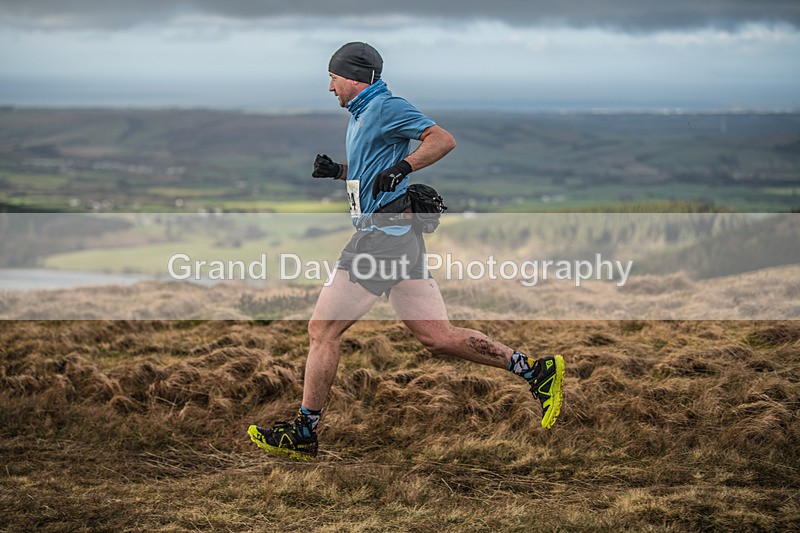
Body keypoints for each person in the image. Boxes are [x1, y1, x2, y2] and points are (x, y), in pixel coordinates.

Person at [248, 42, 564, 461]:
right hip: (398, 235)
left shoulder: (384, 106)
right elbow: (374, 172)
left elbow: (443, 139)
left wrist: (406, 166)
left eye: (333, 77)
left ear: (355, 77)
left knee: (321, 331)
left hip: (381, 237)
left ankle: (304, 432)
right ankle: (536, 371)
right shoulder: (362, 115)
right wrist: (339, 172)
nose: (329, 87)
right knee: (438, 337)